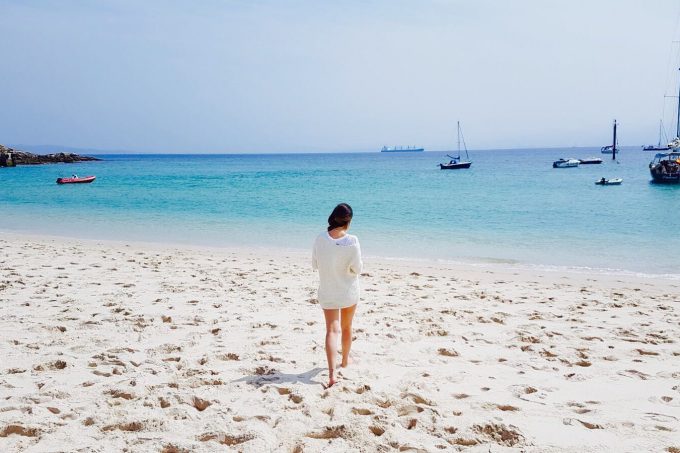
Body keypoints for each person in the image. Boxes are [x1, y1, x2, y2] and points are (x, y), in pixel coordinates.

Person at [312, 203, 363, 388]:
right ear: (349, 221)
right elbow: (358, 268)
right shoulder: (352, 241)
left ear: (333, 217)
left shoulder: (320, 238)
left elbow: (315, 264)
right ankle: (345, 362)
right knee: (347, 327)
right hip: (348, 291)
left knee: (331, 330)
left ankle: (332, 373)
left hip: (328, 290)